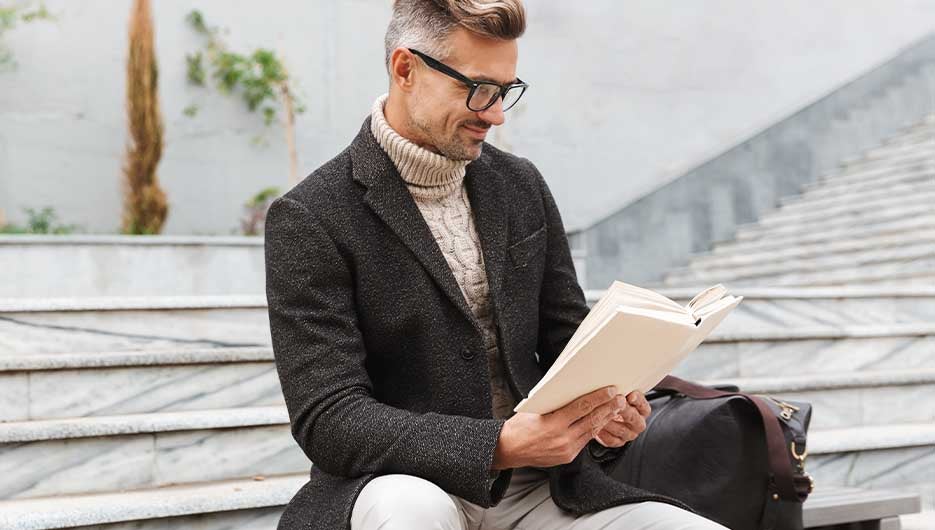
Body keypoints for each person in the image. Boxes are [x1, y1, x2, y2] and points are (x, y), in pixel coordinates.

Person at [264, 1, 728, 529]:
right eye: (479, 89)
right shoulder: (310, 216)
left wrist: (607, 409)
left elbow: (566, 338)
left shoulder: (521, 185)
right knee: (410, 510)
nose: (497, 113)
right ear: (405, 69)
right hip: (399, 486)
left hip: (545, 490)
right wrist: (498, 445)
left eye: (506, 91)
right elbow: (329, 419)